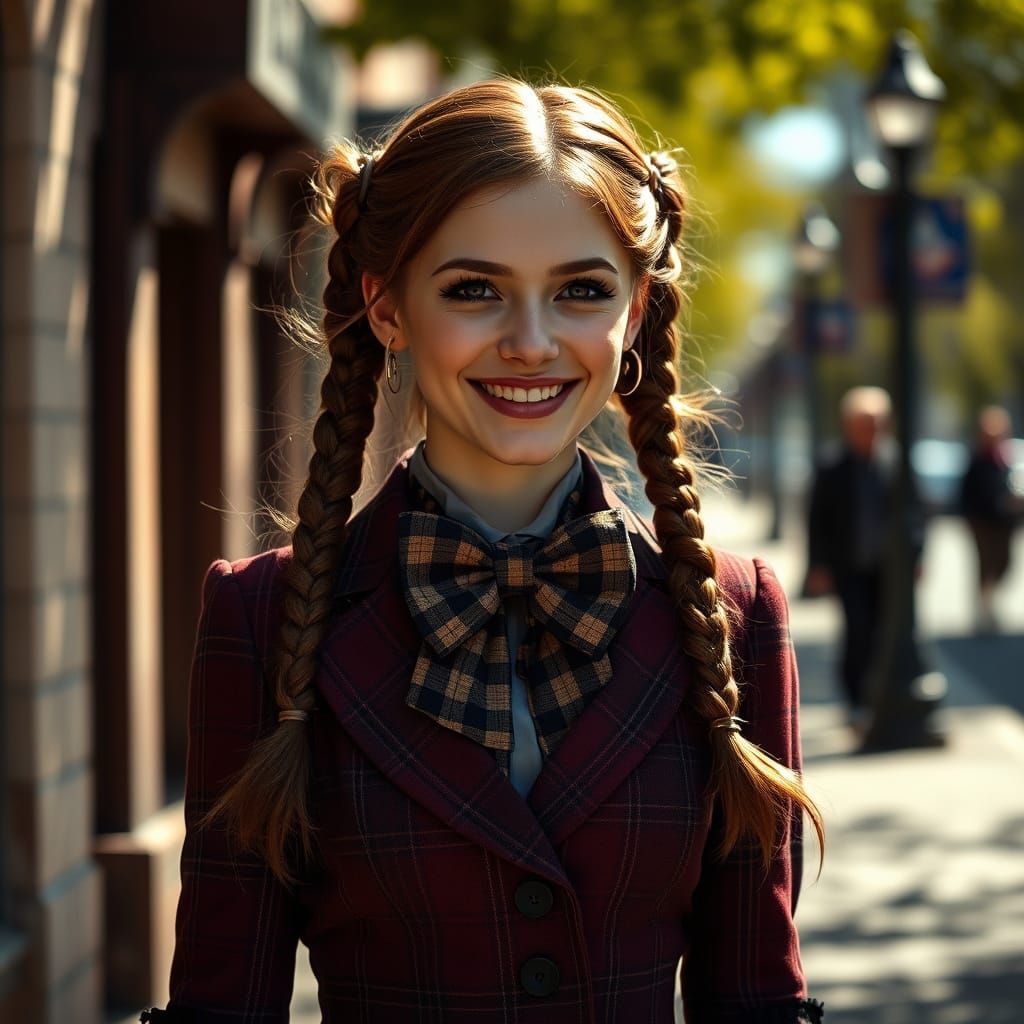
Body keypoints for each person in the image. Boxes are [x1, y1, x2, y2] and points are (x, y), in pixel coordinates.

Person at [142, 79, 824, 1023]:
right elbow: (225, 1003)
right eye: (474, 290)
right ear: (386, 307)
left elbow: (755, 1001)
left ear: (633, 313)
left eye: (581, 291)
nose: (532, 342)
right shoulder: (262, 619)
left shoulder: (735, 614)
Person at [805, 386, 897, 726]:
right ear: (849, 426)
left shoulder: (894, 464)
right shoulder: (833, 466)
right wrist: (817, 567)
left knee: (882, 631)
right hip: (848, 566)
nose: (871, 432)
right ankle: (855, 698)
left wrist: (917, 557)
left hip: (886, 568)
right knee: (856, 630)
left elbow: (916, 514)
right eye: (864, 424)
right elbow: (816, 520)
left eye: (877, 424)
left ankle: (878, 695)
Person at [960, 405, 1020, 632]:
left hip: (1004, 522)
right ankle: (984, 609)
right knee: (985, 565)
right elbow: (966, 492)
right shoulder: (977, 460)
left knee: (1005, 563)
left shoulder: (1006, 459)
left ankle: (990, 599)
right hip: (982, 521)